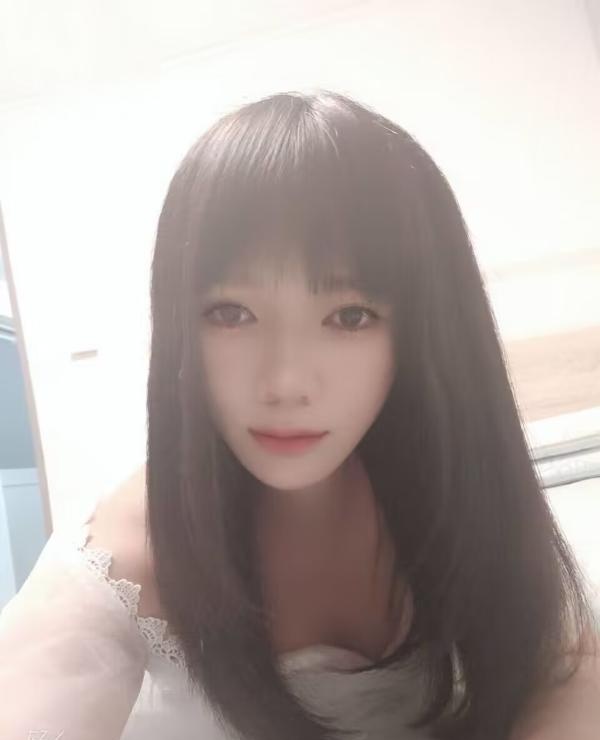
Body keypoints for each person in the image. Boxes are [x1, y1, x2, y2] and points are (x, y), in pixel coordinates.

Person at [0, 89, 598, 740]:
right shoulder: (127, 557)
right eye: (231, 313)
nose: (285, 382)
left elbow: (567, 665)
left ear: (422, 331)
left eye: (349, 316)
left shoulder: (456, 485)